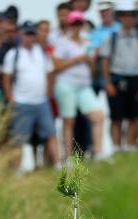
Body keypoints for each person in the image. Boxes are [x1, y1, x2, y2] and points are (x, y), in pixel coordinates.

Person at [3, 20, 60, 170]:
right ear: (21, 34)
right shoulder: (13, 54)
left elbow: (50, 73)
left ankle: (58, 164)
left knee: (51, 133)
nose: (30, 37)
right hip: (22, 102)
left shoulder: (41, 52)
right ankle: (17, 169)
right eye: (27, 33)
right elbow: (7, 77)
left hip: (41, 101)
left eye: (32, 34)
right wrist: (11, 97)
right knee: (19, 138)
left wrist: (49, 92)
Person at [53, 10, 105, 161]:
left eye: (79, 23)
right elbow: (57, 66)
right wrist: (77, 59)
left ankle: (99, 153)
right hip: (66, 84)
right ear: (69, 24)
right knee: (69, 121)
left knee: (98, 116)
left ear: (82, 24)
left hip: (84, 85)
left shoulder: (88, 41)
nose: (76, 26)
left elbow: (93, 70)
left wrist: (91, 62)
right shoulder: (62, 42)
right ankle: (67, 158)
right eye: (74, 23)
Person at [102, 0, 138, 151]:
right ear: (119, 17)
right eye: (124, 15)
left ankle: (130, 145)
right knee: (116, 117)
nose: (128, 18)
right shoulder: (112, 38)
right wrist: (107, 83)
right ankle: (116, 147)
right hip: (117, 78)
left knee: (135, 115)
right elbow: (105, 61)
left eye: (131, 15)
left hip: (136, 79)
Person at [91, 1, 120, 93]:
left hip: (121, 70)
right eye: (101, 11)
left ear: (112, 11)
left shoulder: (121, 27)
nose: (104, 13)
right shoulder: (95, 32)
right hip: (103, 71)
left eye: (106, 10)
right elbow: (95, 52)